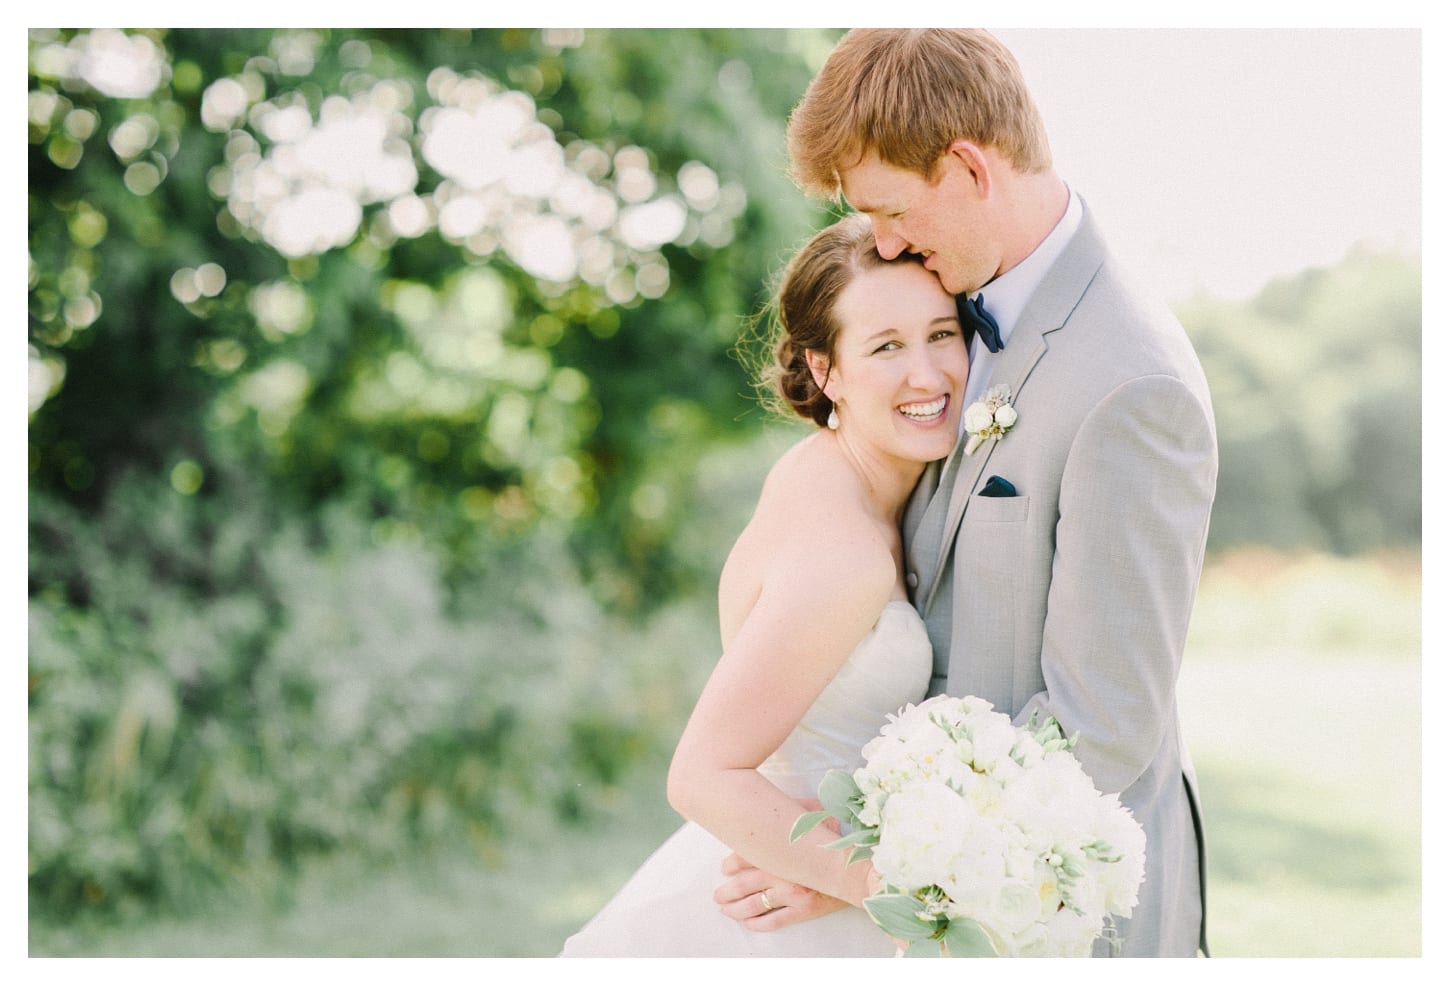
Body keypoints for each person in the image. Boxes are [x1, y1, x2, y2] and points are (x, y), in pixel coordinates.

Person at [715, 29, 1218, 957]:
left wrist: (877, 870)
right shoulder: (942, 303)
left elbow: (1099, 730)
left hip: (1052, 920)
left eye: (891, 210)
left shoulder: (1131, 385)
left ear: (968, 168)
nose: (883, 241)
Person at [560, 214, 969, 956]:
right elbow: (703, 775)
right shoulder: (840, 546)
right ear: (825, 371)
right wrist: (894, 891)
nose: (927, 374)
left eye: (942, 334)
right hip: (768, 920)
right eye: (885, 346)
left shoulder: (831, 471)